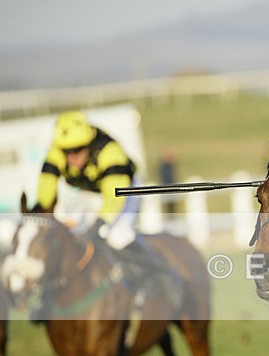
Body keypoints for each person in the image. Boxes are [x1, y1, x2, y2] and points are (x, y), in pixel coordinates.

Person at [34, 110, 180, 320]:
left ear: (88, 145)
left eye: (77, 150)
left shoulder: (110, 153)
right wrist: (40, 211)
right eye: (67, 151)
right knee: (67, 237)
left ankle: (163, 275)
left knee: (117, 236)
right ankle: (44, 298)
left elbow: (114, 196)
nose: (71, 157)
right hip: (90, 193)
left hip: (124, 190)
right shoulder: (58, 151)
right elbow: (46, 186)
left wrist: (100, 223)